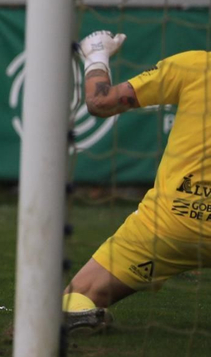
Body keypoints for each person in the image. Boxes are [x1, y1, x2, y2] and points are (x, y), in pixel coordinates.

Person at [63, 30, 211, 334]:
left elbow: (100, 102)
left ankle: (79, 318)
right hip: (174, 221)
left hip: (173, 221)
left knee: (75, 299)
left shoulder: (196, 66)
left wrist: (97, 55)